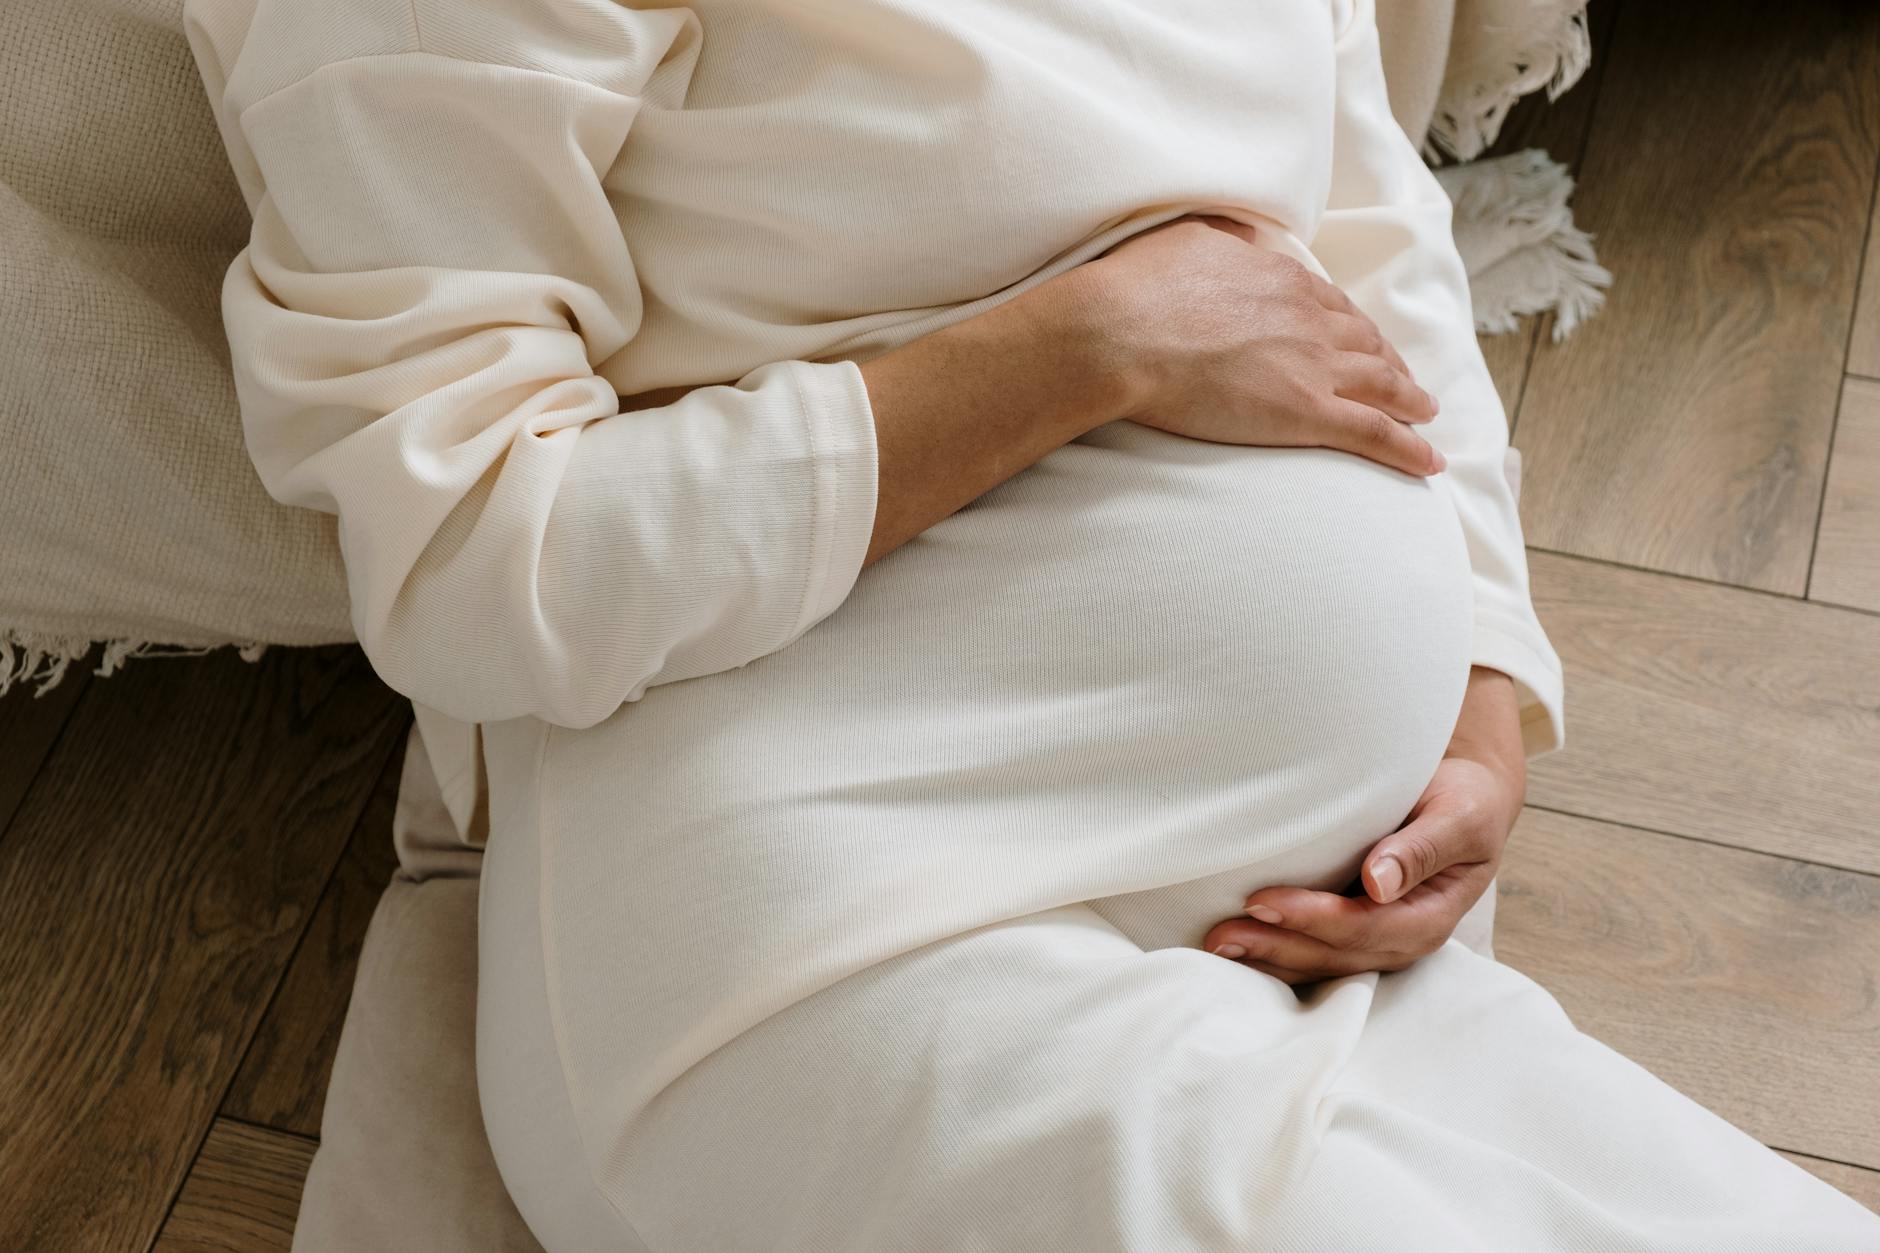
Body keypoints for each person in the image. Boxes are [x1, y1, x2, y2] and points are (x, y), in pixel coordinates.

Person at [183, 0, 1880, 1248]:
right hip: (830, 923)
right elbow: (472, 551)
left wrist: (1488, 683)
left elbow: (1361, 220)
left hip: (1309, 914)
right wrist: (1089, 349)